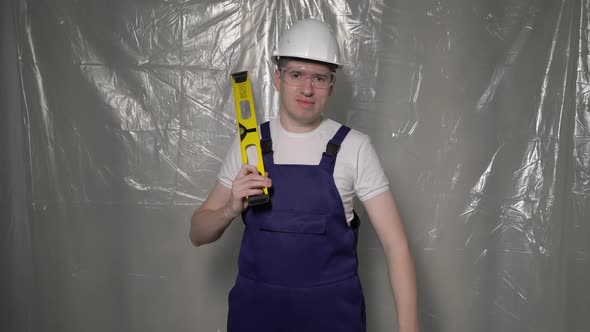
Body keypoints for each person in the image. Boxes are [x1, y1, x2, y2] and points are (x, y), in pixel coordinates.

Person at [189, 18, 419, 332]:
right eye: (296, 74)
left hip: (333, 319)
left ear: (332, 85)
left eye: (320, 78)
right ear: (278, 77)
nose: (307, 88)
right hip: (255, 318)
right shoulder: (249, 145)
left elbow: (396, 246)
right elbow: (198, 233)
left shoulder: (354, 147)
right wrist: (230, 208)